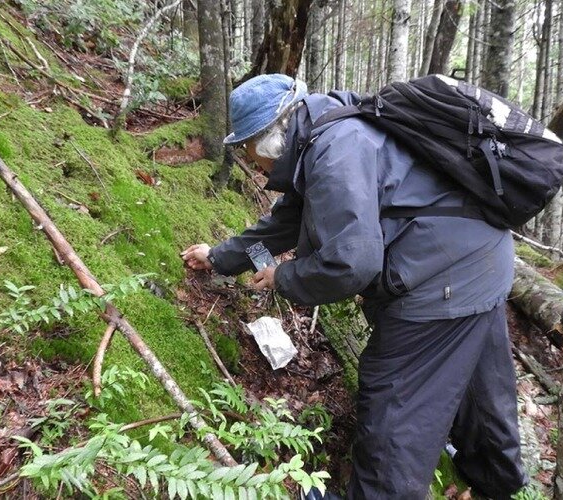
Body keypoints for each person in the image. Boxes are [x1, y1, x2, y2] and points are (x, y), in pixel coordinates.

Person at [181, 74, 528, 499]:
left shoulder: (333, 152)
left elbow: (353, 264)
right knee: (480, 381)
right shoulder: (328, 133)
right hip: (481, 260)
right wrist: (218, 257)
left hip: (439, 282)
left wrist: (284, 277)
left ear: (271, 137)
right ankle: (496, 480)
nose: (250, 160)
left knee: (394, 405)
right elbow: (285, 222)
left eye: (247, 147)